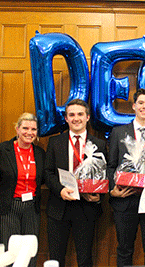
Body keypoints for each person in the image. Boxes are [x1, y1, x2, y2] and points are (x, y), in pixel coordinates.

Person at [107, 89, 145, 267]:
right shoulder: (118, 133)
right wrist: (113, 190)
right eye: (141, 103)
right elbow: (111, 166)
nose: (144, 106)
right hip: (124, 199)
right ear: (134, 106)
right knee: (124, 250)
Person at [44, 99, 106, 267]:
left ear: (87, 117)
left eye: (80, 114)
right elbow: (47, 173)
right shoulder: (55, 142)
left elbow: (103, 175)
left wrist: (97, 196)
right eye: (71, 115)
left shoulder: (99, 144)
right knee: (56, 258)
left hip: (86, 207)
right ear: (66, 118)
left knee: (85, 258)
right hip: (59, 207)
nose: (76, 118)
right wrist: (60, 190)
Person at [0, 113, 45, 267]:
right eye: (25, 128)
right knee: (8, 252)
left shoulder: (40, 153)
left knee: (29, 251)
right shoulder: (1, 150)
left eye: (33, 129)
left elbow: (45, 177)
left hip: (31, 208)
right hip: (8, 206)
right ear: (17, 129)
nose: (29, 132)